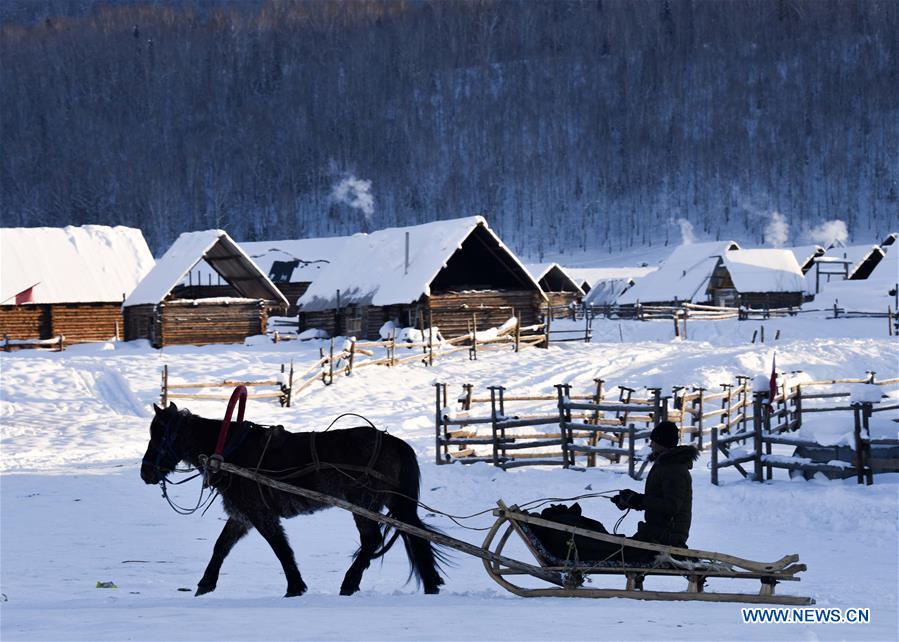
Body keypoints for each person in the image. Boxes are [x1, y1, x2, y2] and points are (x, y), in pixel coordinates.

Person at [611, 421, 699, 549]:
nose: (651, 445)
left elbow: (671, 506)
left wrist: (639, 500)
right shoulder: (664, 465)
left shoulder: (675, 469)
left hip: (668, 536)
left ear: (663, 443)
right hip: (655, 532)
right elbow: (656, 500)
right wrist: (630, 501)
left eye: (654, 441)